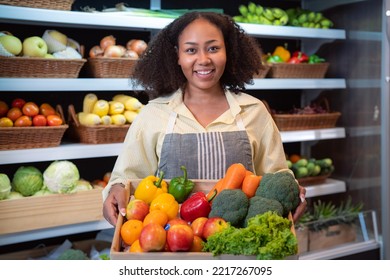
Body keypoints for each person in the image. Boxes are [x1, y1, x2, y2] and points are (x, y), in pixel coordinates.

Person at [102, 11, 306, 226]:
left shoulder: (254, 111)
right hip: (171, 241)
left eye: (213, 48)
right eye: (191, 50)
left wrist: (292, 189)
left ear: (228, 50)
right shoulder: (154, 114)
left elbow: (276, 174)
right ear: (177, 56)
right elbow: (126, 178)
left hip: (239, 241)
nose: (204, 59)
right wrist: (116, 189)